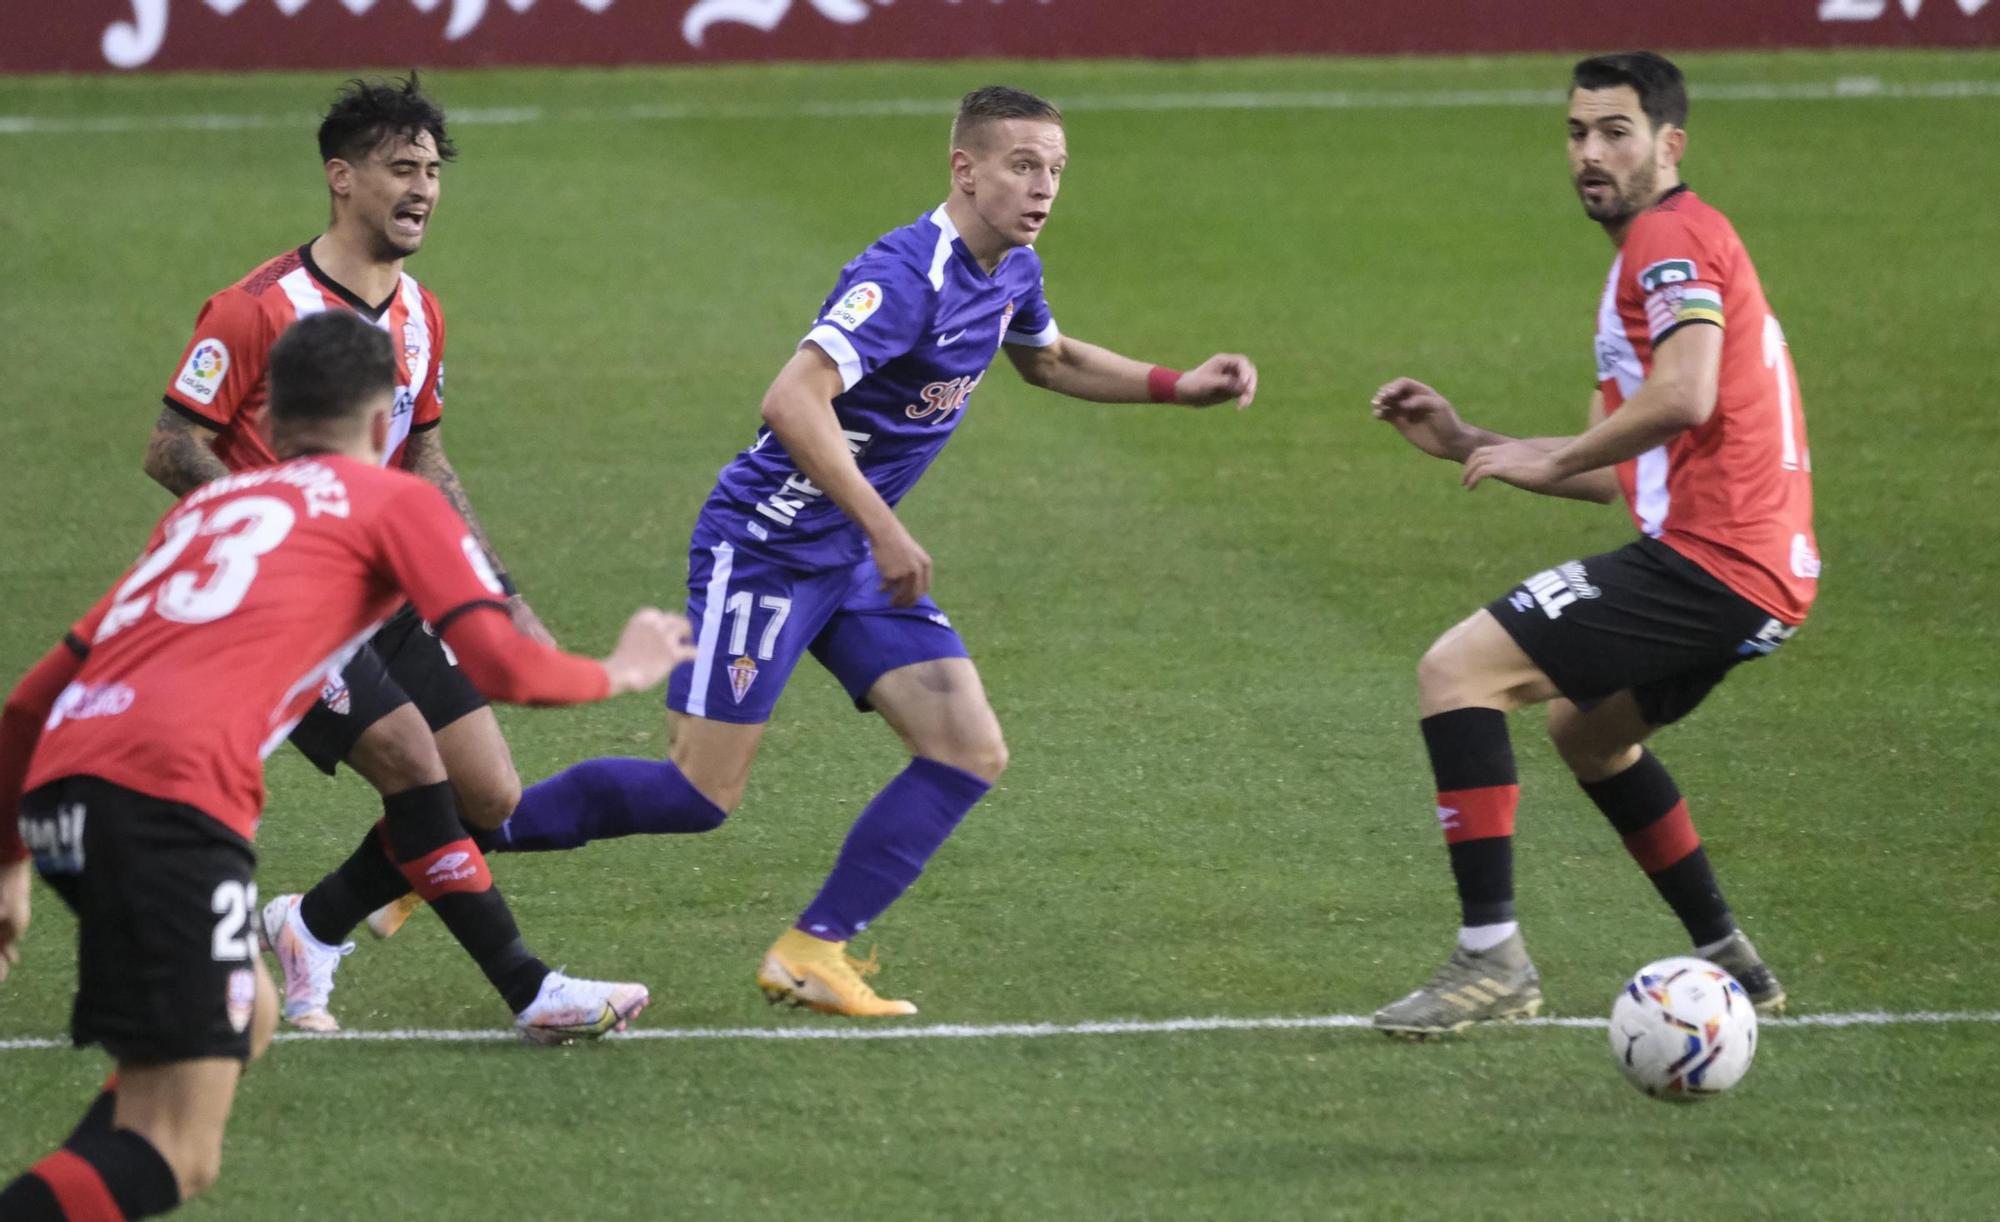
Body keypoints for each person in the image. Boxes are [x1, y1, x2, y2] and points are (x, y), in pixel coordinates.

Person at [478, 85, 1259, 1016]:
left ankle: (813, 950)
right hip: (767, 546)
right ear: (964, 170)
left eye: (1055, 168)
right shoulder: (906, 275)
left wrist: (1181, 388)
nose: (1043, 186)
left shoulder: (1011, 268)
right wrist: (886, 526)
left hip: (848, 557)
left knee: (967, 749)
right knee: (697, 794)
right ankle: (442, 846)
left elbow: (1049, 360)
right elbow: (792, 400)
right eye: (1022, 164)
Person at [0, 311, 693, 1219]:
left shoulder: (206, 509)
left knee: (242, 1020)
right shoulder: (393, 499)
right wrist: (624, 667)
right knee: (177, 1150)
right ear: (382, 428)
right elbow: (505, 667)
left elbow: (26, 703)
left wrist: (11, 862)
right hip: (166, 804)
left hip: (61, 796)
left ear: (272, 428)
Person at [1368, 51, 1818, 1038]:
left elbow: (1685, 392)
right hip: (1758, 574)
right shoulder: (1650, 256)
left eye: (1614, 132)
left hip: (1714, 559)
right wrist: (1467, 441)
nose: (1589, 153)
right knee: (1588, 731)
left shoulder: (1666, 236)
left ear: (1669, 144)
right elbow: (1622, 469)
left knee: (1455, 673)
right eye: (1575, 133)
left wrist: (1546, 454)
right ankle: (1728, 955)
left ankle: (1490, 961)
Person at [141, 74, 553, 1030]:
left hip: (388, 588)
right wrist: (282, 515)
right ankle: (532, 991)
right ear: (341, 178)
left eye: (433, 171)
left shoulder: (421, 313)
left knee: (490, 796)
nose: (423, 189)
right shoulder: (256, 309)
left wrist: (494, 590)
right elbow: (169, 444)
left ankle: (310, 923)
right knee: (413, 760)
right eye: (400, 168)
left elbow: (425, 455)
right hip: (283, 598)